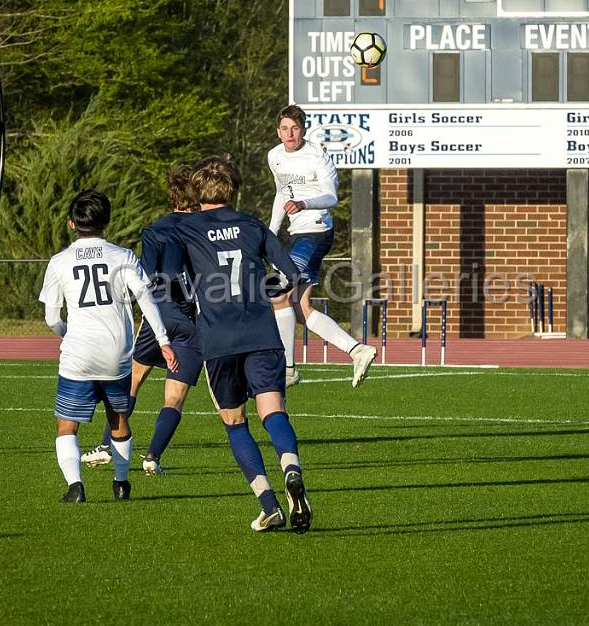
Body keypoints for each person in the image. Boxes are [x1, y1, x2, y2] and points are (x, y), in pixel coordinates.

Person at [172, 155, 312, 532]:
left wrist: (187, 306)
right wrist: (263, 291)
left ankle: (269, 505)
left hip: (219, 339)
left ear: (196, 192)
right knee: (273, 411)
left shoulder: (184, 229)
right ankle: (292, 468)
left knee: (235, 423)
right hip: (260, 333)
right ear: (232, 189)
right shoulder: (252, 225)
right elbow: (292, 273)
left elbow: (172, 282)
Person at [40, 190, 177, 503]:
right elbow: (146, 298)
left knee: (66, 426)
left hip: (78, 353)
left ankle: (76, 486)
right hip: (117, 353)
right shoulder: (123, 255)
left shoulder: (59, 261)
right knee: (118, 418)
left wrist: (67, 335)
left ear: (72, 224)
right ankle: (121, 482)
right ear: (107, 222)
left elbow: (51, 317)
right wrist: (163, 341)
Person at [81, 164, 202, 476]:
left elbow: (145, 280)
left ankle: (109, 445)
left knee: (132, 381)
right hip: (196, 319)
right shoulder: (207, 226)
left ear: (171, 194)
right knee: (175, 396)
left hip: (160, 315)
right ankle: (152, 456)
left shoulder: (156, 229)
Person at [267, 104, 376, 388]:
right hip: (297, 233)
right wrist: (269, 233)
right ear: (278, 132)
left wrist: (305, 203)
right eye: (285, 129)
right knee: (300, 307)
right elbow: (282, 194)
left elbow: (331, 197)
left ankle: (289, 369)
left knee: (277, 292)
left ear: (303, 130)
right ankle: (358, 350)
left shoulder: (318, 156)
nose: (290, 134)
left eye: (295, 128)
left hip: (316, 232)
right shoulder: (275, 156)